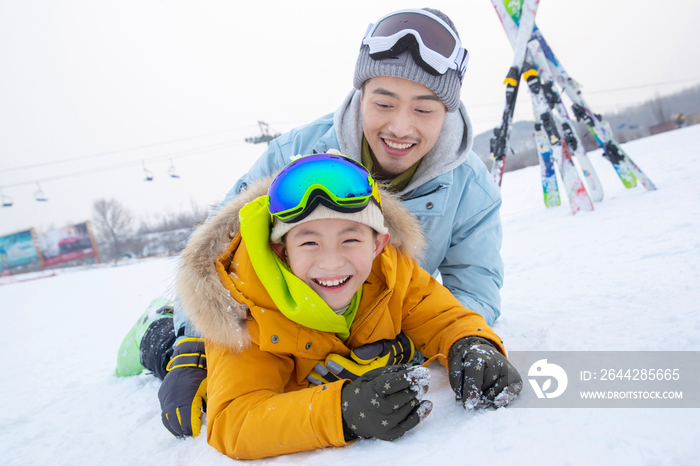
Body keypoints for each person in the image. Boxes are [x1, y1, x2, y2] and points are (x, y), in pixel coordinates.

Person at [121, 7, 507, 439]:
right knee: (212, 383)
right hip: (277, 323)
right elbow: (217, 253)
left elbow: (470, 292)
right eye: (383, 103)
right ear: (361, 96)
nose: (400, 127)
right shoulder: (295, 155)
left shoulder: (471, 189)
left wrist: (423, 348)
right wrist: (191, 348)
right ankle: (156, 329)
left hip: (369, 319)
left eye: (424, 109)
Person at [171, 153, 521, 459]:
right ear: (282, 251)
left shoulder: (392, 270)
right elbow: (235, 421)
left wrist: (471, 343)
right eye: (309, 242)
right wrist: (342, 411)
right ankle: (156, 329)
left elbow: (440, 315)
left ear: (378, 243)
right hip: (213, 345)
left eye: (350, 239)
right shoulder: (248, 305)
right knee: (180, 376)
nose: (331, 263)